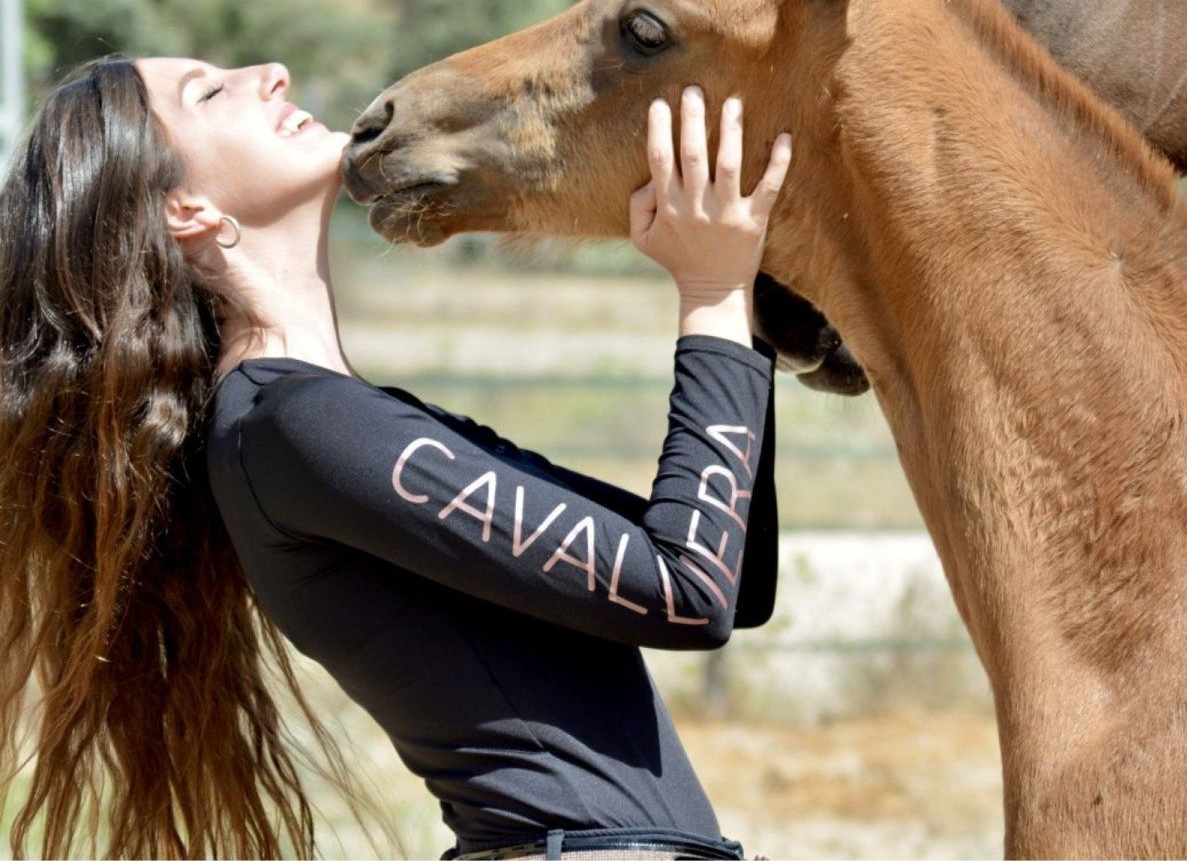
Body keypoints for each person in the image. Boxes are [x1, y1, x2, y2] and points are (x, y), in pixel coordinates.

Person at [0, 54, 792, 860]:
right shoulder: (298, 428)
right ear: (186, 210)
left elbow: (729, 573)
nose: (271, 71)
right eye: (209, 92)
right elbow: (688, 592)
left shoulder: (316, 422)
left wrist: (748, 301)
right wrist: (713, 296)